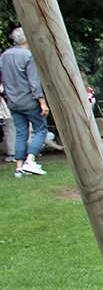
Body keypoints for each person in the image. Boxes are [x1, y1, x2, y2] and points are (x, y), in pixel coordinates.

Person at [0, 27, 48, 177]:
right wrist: (42, 102)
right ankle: (30, 161)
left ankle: (19, 167)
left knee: (21, 133)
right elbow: (34, 82)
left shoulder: (4, 55)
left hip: (13, 101)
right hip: (29, 100)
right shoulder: (28, 55)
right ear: (27, 39)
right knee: (41, 129)